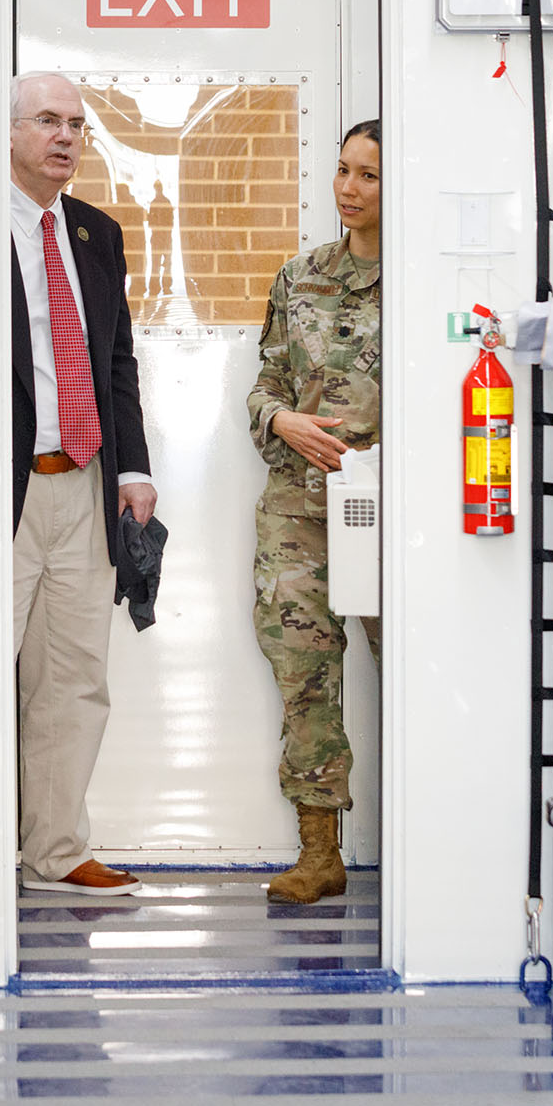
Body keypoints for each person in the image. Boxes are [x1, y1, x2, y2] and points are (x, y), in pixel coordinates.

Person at [9, 71, 158, 896]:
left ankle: (56, 852)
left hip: (85, 484)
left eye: (76, 125)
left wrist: (132, 468)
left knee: (73, 679)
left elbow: (116, 364)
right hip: (2, 490)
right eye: (46, 122)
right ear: (9, 134)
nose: (64, 137)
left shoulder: (97, 234)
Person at [244, 120, 383, 906]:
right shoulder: (299, 277)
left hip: (389, 510)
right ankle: (320, 853)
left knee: (416, 670)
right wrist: (281, 420)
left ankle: (432, 837)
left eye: (367, 175)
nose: (348, 189)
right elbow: (263, 384)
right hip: (299, 509)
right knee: (303, 675)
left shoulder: (423, 283)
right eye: (341, 171)